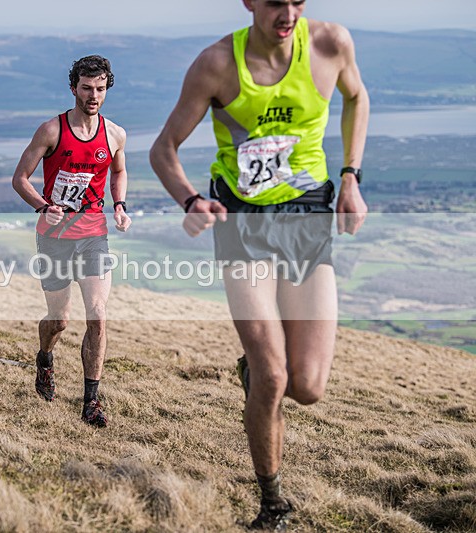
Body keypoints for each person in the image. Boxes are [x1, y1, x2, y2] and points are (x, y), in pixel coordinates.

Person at [150, 1, 368, 530]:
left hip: (308, 220)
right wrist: (190, 200)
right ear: (249, 2)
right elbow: (164, 149)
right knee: (273, 376)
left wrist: (351, 177)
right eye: (274, 2)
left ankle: (252, 372)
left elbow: (357, 97)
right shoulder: (217, 64)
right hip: (242, 224)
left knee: (307, 386)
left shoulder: (330, 44)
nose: (287, 12)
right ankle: (273, 504)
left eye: (297, 1)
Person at [12, 55, 132, 427]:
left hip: (93, 234)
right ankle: (45, 358)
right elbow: (20, 178)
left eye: (100, 89)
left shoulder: (115, 134)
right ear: (73, 88)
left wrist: (120, 205)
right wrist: (43, 206)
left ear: (107, 89)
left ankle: (91, 402)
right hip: (54, 238)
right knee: (59, 320)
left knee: (97, 315)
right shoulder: (51, 130)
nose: (93, 96)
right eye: (86, 88)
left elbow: (119, 170)